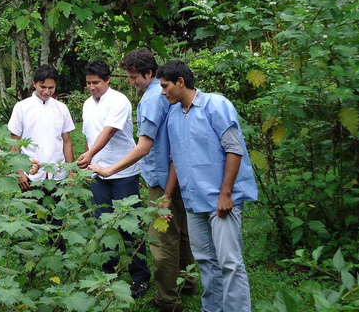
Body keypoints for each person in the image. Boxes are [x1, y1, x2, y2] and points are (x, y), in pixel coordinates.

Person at [89, 49, 196, 311]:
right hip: (179, 171)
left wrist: (110, 169)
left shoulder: (151, 99)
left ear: (149, 73)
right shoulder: (165, 94)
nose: (131, 81)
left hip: (161, 179)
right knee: (183, 232)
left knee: (162, 240)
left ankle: (167, 299)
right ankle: (188, 282)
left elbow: (144, 146)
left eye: (134, 76)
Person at [157, 60, 258, 312]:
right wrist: (167, 197)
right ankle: (212, 308)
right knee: (204, 261)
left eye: (165, 86)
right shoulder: (174, 114)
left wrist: (225, 195)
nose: (162, 92)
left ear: (180, 82)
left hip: (221, 201)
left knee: (229, 262)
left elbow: (234, 150)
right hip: (194, 200)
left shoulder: (216, 105)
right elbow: (175, 160)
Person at [76, 58, 151, 298]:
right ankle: (108, 274)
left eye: (96, 82)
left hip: (123, 172)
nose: (91, 87)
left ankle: (140, 277)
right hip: (98, 173)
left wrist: (89, 154)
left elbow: (108, 132)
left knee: (130, 226)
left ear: (108, 79)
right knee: (103, 224)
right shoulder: (88, 104)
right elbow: (89, 134)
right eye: (88, 83)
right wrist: (89, 163)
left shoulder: (119, 101)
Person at [8, 64, 76, 190]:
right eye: (42, 87)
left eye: (51, 87)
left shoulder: (61, 108)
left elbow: (66, 141)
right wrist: (19, 171)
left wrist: (71, 171)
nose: (46, 91)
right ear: (34, 84)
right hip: (30, 176)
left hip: (57, 175)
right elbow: (14, 140)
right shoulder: (22, 107)